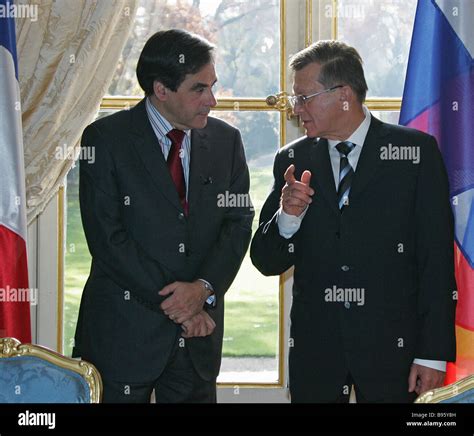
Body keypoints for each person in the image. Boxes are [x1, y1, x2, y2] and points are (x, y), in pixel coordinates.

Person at [250, 40, 456, 403]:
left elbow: (436, 261)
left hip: (396, 355)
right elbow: (266, 261)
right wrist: (288, 219)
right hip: (316, 357)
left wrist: (432, 353)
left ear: (343, 94)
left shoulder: (415, 154)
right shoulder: (292, 159)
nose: (296, 109)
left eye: (304, 97)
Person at [73, 29, 254, 403]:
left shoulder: (226, 142)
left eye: (212, 86)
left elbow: (237, 225)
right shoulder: (105, 140)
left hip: (197, 344)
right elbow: (108, 239)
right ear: (161, 89)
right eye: (199, 89)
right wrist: (182, 305)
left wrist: (202, 288)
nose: (212, 100)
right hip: (123, 335)